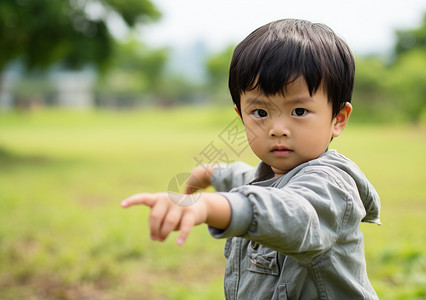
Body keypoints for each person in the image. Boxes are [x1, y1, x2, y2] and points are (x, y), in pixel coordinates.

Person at [121, 19, 381, 299]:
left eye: (299, 111)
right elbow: (250, 181)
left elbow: (293, 213)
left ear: (337, 119)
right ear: (241, 116)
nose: (277, 128)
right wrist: (212, 173)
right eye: (260, 112)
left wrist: (210, 206)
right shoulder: (274, 173)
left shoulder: (332, 187)